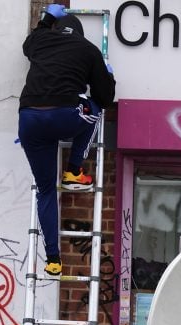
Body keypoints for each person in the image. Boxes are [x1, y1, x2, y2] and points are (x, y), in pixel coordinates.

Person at [19, 4, 116, 276]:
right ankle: (74, 170)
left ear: (55, 28)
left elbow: (28, 44)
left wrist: (47, 17)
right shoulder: (89, 50)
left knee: (46, 190)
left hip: (30, 119)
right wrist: (108, 75)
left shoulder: (41, 40)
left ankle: (53, 260)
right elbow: (105, 98)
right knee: (94, 109)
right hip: (64, 116)